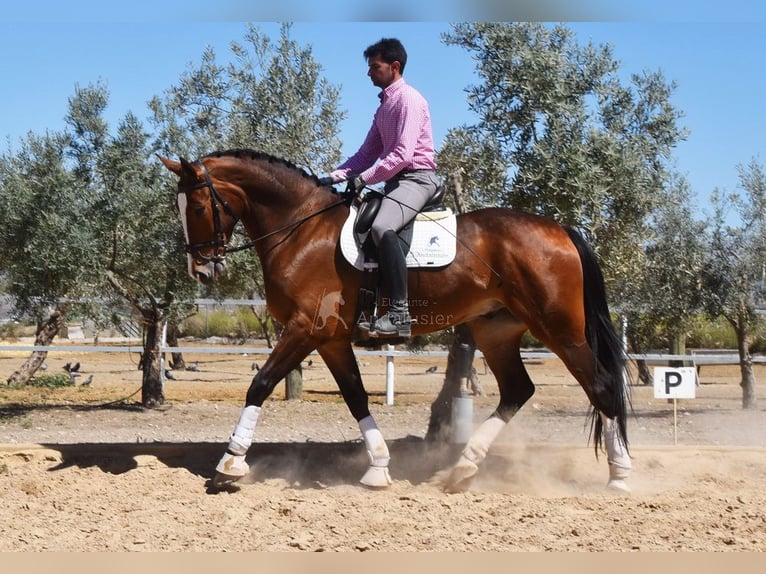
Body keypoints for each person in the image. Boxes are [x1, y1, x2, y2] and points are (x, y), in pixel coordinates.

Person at [329, 37, 440, 337]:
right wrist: (332, 176)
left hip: (418, 178)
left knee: (380, 228)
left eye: (374, 67)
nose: (368, 73)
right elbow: (366, 154)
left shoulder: (409, 100)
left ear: (394, 67)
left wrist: (364, 179)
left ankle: (400, 314)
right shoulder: (384, 108)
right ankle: (366, 307)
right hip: (396, 181)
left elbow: (402, 154)